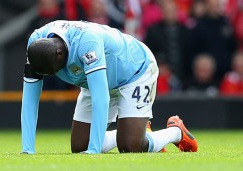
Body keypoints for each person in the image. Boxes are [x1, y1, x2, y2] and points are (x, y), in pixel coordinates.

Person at [21, 20, 198, 154]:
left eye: (54, 71)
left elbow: (101, 97)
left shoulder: (86, 42)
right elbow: (29, 100)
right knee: (79, 147)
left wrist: (94, 150)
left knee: (130, 146)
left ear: (60, 54)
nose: (55, 75)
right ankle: (136, 130)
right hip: (95, 78)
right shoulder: (36, 44)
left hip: (134, 71)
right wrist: (27, 149)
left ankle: (175, 132)